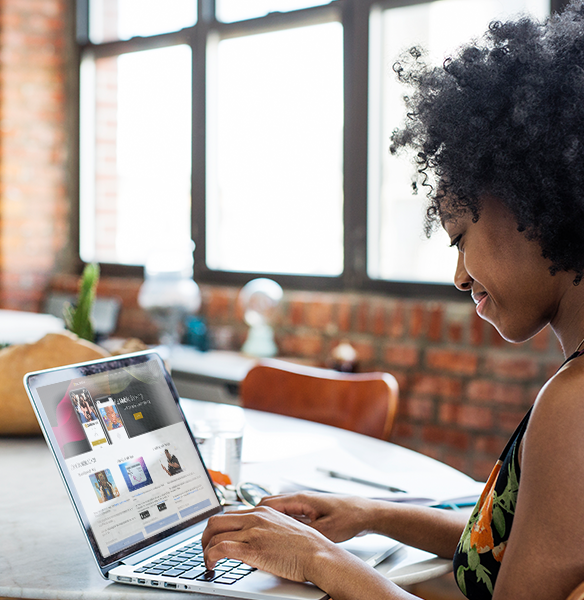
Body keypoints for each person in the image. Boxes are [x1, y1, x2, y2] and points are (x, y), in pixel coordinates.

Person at [201, 4, 584, 599]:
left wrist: (321, 561)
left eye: (459, 238)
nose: (459, 275)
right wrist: (369, 513)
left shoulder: (575, 405)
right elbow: (516, 542)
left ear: (535, 203)